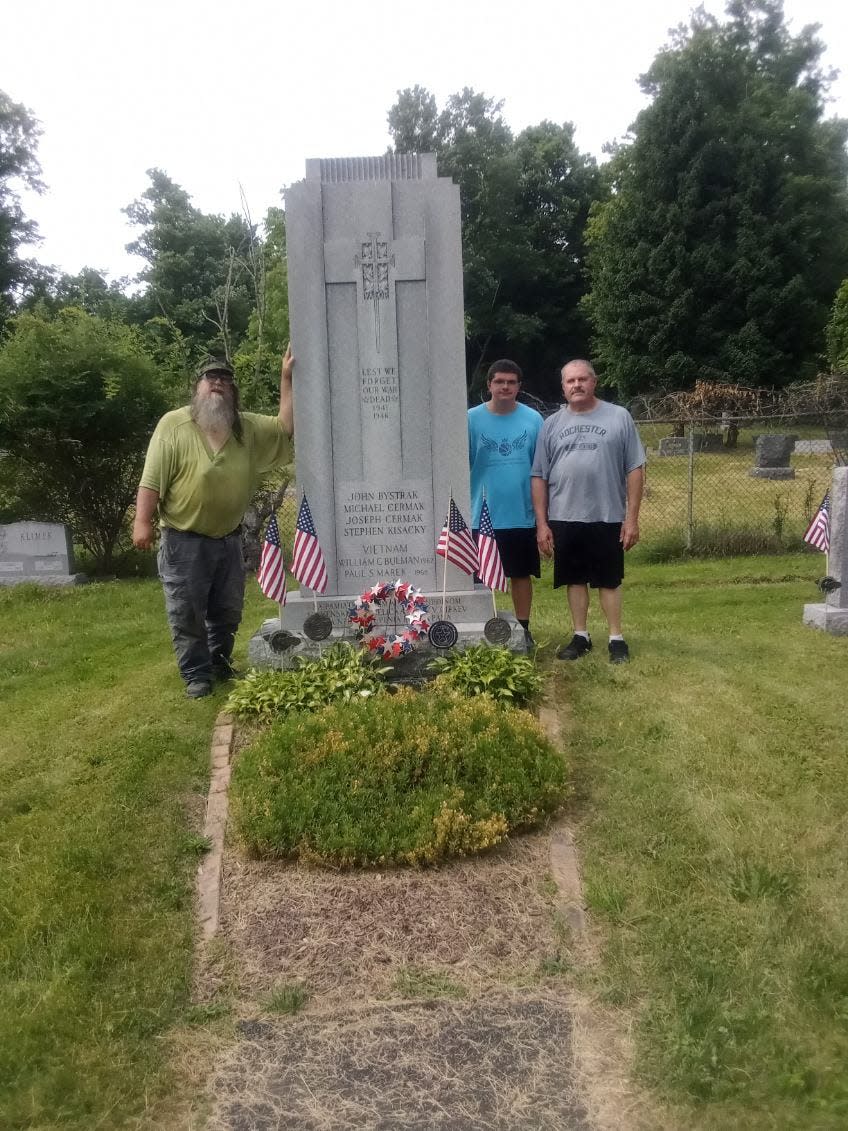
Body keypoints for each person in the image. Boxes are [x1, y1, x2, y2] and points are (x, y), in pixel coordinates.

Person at [133, 350, 294, 698]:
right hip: (183, 539)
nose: (218, 383)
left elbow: (285, 428)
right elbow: (151, 480)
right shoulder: (173, 425)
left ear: (233, 391)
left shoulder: (245, 428)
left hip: (229, 539)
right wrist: (141, 522)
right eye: (211, 378)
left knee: (227, 610)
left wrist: (286, 379)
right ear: (197, 387)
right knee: (187, 612)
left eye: (224, 379)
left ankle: (219, 661)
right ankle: (196, 675)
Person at [531, 359, 645, 663]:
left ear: (594, 382)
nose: (577, 385)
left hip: (606, 515)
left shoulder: (619, 417)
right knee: (575, 579)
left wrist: (631, 519)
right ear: (563, 387)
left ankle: (616, 639)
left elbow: (635, 468)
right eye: (570, 381)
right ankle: (580, 636)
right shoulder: (552, 424)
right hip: (565, 516)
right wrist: (542, 524)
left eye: (582, 379)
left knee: (608, 580)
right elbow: (539, 475)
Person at [468, 359, 543, 646]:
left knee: (520, 575)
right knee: (479, 579)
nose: (505, 387)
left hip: (520, 514)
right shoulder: (470, 419)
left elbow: (541, 469)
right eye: (499, 381)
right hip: (481, 514)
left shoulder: (533, 420)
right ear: (489, 385)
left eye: (511, 382)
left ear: (519, 387)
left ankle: (523, 629)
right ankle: (482, 628)